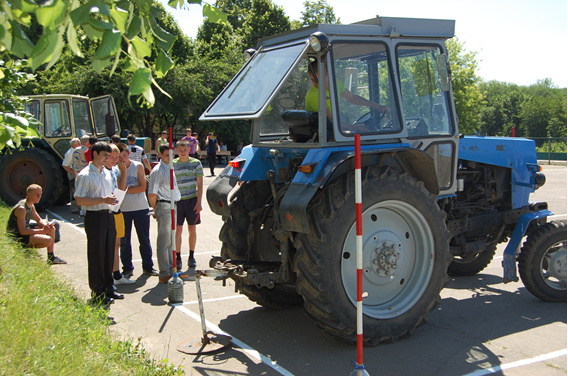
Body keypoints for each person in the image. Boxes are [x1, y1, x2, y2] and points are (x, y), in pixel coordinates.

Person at [75, 142, 122, 306]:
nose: (107, 159)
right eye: (104, 155)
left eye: (109, 156)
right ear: (94, 154)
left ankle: (109, 287)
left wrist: (113, 200)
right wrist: (103, 199)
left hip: (108, 215)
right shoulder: (85, 175)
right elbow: (80, 199)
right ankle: (97, 291)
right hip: (94, 216)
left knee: (109, 252)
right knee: (97, 254)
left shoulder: (107, 173)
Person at [305, 59, 388, 134]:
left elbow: (353, 98)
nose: (316, 83)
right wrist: (356, 128)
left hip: (334, 131)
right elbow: (331, 121)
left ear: (327, 74)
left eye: (319, 79)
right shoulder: (313, 95)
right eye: (313, 80)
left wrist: (377, 106)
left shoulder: (336, 84)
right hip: (323, 135)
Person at [148, 144, 188, 283]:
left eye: (172, 155)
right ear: (160, 155)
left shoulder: (170, 168)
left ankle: (172, 269)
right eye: (166, 155)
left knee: (171, 241)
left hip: (173, 204)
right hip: (164, 205)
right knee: (164, 240)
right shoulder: (158, 171)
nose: (170, 158)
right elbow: (152, 194)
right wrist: (156, 209)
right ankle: (164, 271)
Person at [117, 143, 157, 278]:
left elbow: (141, 187)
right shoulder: (116, 169)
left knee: (144, 239)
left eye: (124, 155)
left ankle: (148, 266)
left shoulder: (137, 166)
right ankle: (127, 268)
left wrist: (124, 190)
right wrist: (123, 177)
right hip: (123, 209)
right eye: (119, 156)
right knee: (124, 241)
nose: (122, 159)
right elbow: (117, 191)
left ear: (128, 154)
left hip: (140, 207)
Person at [6, 184, 66, 264]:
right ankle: (23, 248)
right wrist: (43, 231)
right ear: (29, 194)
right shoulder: (21, 209)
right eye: (37, 194)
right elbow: (23, 231)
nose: (39, 197)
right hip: (16, 237)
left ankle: (51, 257)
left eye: (40, 194)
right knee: (48, 240)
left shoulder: (31, 205)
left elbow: (38, 220)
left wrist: (46, 226)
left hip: (23, 233)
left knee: (52, 229)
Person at [104, 143, 134, 286]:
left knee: (117, 243)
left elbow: (121, 190)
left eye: (117, 157)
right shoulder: (102, 171)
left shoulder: (116, 170)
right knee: (107, 244)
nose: (115, 159)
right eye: (112, 157)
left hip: (116, 209)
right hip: (106, 211)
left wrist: (124, 171)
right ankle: (108, 275)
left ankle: (116, 275)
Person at [173, 139, 203, 269]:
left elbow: (200, 184)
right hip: (178, 201)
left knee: (192, 229)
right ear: (176, 151)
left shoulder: (196, 163)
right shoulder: (172, 164)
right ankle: (178, 257)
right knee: (178, 230)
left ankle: (191, 256)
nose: (183, 152)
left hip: (192, 200)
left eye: (185, 149)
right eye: (180, 150)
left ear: (189, 150)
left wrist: (199, 203)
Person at [62, 138, 81, 214]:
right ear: (74, 144)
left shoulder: (76, 151)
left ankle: (79, 206)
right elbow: (64, 165)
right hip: (72, 172)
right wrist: (72, 173)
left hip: (77, 171)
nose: (80, 144)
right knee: (73, 190)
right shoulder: (69, 153)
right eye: (79, 142)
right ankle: (74, 208)